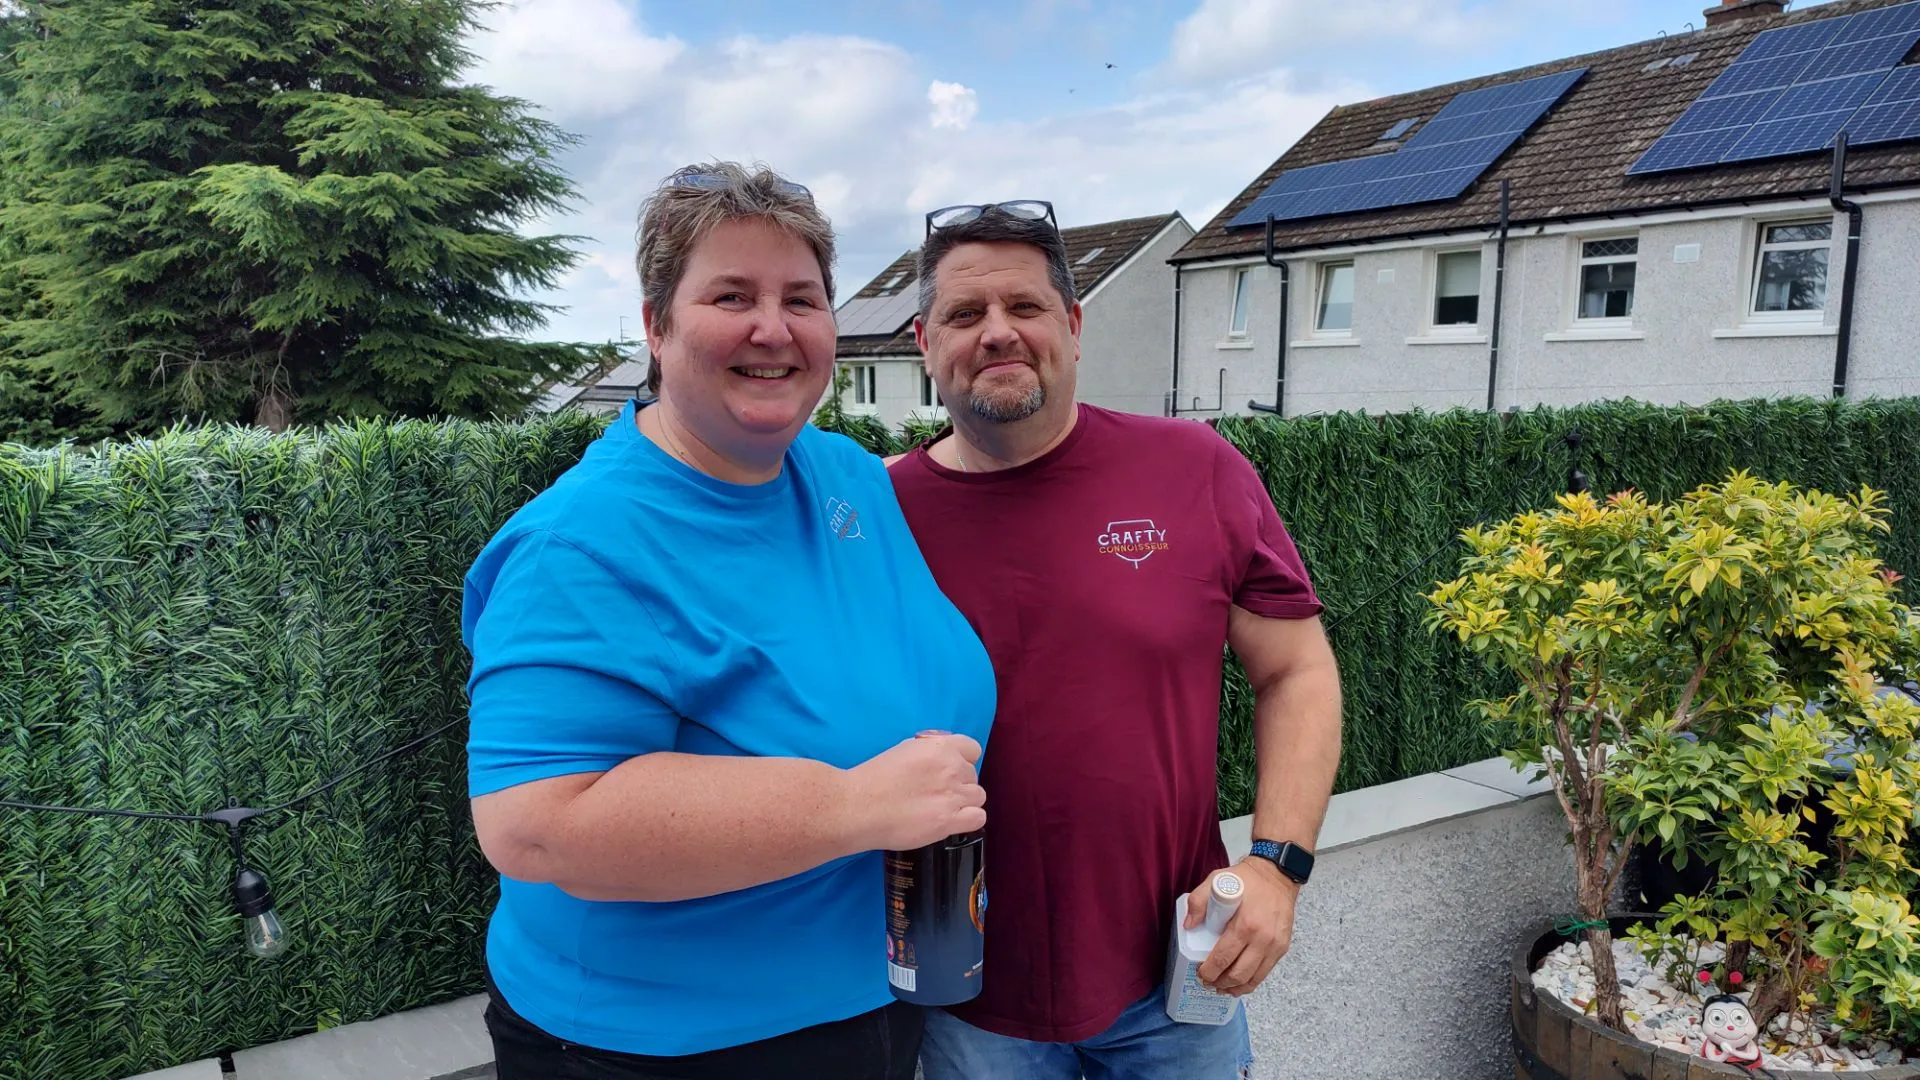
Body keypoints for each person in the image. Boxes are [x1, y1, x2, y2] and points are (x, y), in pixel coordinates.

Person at [459, 162, 996, 1080]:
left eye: (802, 297)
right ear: (656, 327)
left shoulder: (846, 476)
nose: (773, 328)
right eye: (731, 295)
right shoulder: (581, 545)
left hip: (877, 1005)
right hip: (666, 1051)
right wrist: (854, 806)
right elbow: (535, 825)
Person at [888, 200, 1344, 1080]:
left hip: (1178, 983)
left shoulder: (1194, 468)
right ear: (923, 340)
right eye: (964, 314)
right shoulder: (874, 517)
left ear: (1073, 324)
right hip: (964, 1004)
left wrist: (1279, 865)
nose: (997, 333)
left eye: (1025, 308)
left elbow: (1296, 669)